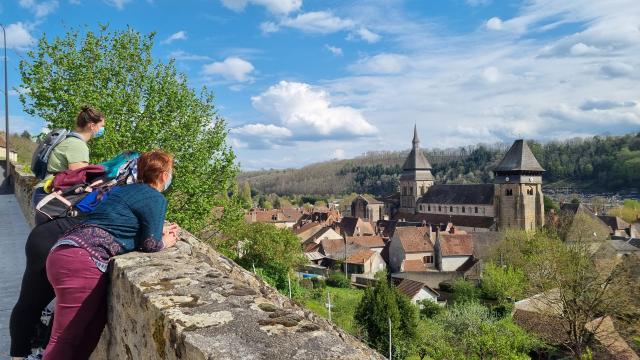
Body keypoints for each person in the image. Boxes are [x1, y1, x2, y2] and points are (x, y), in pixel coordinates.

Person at [42, 150, 178, 360]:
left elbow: (118, 223)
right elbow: (150, 244)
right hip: (82, 260)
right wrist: (165, 242)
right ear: (162, 175)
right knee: (65, 339)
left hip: (65, 251)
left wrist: (156, 231)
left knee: (93, 325)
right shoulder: (155, 197)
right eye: (170, 171)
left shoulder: (123, 190)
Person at [32, 106, 106, 225]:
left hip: (46, 193)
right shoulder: (77, 145)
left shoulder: (69, 140)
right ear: (92, 126)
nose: (103, 129)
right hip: (52, 198)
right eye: (102, 126)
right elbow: (78, 179)